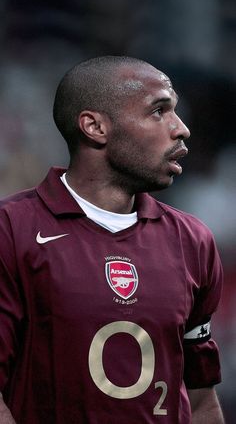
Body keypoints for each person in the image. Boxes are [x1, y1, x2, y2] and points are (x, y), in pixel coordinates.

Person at [0, 56, 224, 424]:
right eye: (158, 111)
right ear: (95, 127)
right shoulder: (11, 230)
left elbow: (200, 397)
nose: (181, 128)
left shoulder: (193, 241)